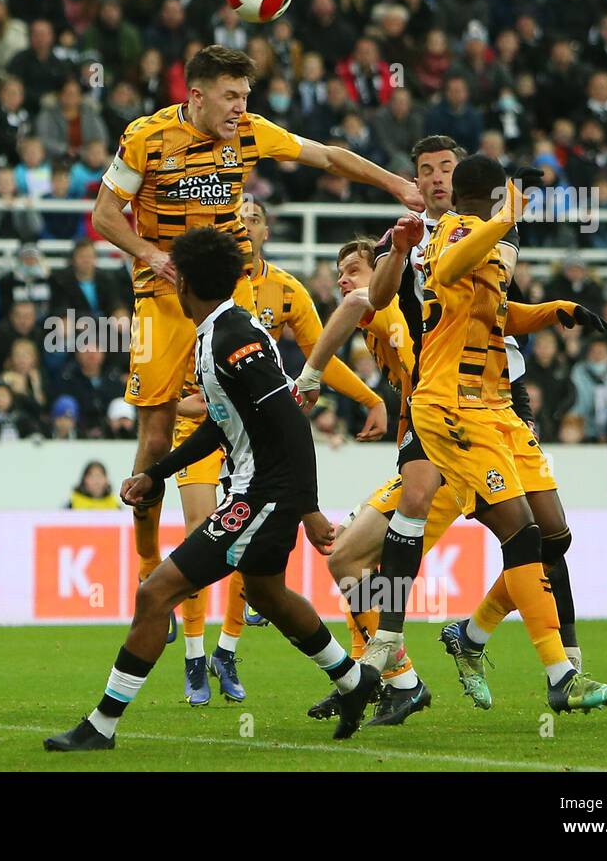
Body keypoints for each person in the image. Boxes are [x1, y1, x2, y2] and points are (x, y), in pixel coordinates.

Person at [90, 44, 421, 651]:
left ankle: (297, 533)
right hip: (160, 302)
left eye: (246, 98)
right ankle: (146, 566)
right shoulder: (146, 137)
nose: (241, 109)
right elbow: (105, 215)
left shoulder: (250, 135)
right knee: (158, 437)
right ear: (196, 95)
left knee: (267, 415)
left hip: (225, 304)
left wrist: (396, 181)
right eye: (230, 97)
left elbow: (326, 156)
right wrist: (153, 257)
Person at [43, 227, 381, 752]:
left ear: (185, 285)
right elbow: (220, 424)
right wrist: (156, 473)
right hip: (259, 489)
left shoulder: (233, 339)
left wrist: (308, 508)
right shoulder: (216, 333)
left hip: (262, 495)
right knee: (268, 593)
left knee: (155, 592)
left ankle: (102, 725)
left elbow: (290, 420)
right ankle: (355, 681)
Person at [353, 155, 607, 714]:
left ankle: (460, 637)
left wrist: (559, 310)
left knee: (551, 536)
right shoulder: (457, 231)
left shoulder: (481, 239)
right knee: (516, 535)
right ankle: (557, 675)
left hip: (494, 405)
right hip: (449, 406)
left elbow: (496, 313)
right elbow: (447, 270)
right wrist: (503, 223)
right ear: (497, 195)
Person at [297, 232, 604, 722]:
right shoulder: (400, 321)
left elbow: (359, 303)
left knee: (353, 557)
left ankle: (393, 677)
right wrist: (373, 401)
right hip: (441, 444)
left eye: (354, 270)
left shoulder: (390, 308)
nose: (345, 282)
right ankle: (396, 668)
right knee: (359, 561)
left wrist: (311, 373)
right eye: (341, 273)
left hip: (448, 454)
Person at [170, 200, 387, 706]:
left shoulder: (285, 290)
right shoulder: (200, 284)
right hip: (202, 427)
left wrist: (369, 397)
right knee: (202, 539)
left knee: (251, 555)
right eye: (235, 216)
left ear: (266, 229)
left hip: (257, 436)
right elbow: (160, 374)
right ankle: (194, 657)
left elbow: (320, 356)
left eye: (253, 217)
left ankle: (227, 648)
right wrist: (173, 406)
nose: (244, 223)